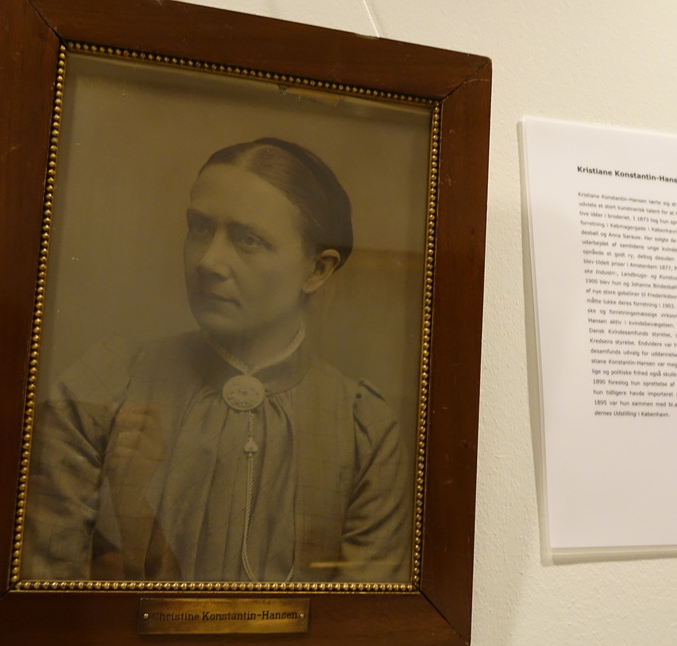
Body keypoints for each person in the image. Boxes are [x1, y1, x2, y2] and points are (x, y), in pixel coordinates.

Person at [23, 138, 412, 584]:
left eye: (248, 240)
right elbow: (50, 589)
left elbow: (362, 616)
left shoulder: (363, 429)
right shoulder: (104, 387)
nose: (208, 262)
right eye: (200, 228)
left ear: (317, 270)